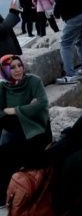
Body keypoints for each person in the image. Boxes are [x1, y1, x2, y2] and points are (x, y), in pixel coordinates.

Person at [0, 54, 51, 199]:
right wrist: (28, 107)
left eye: (19, 65)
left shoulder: (33, 81)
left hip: (37, 127)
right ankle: (7, 195)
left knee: (29, 154)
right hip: (14, 127)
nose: (17, 70)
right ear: (4, 71)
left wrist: (15, 110)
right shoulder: (2, 86)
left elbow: (41, 105)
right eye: (12, 67)